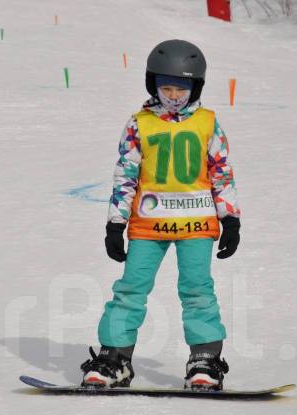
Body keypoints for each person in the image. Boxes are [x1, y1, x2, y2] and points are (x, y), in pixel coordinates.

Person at [80, 39, 241, 391]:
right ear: (152, 84)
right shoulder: (140, 124)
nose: (173, 96)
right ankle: (114, 358)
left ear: (195, 87)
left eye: (181, 89)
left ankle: (205, 360)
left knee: (197, 289)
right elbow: (126, 175)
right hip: (148, 225)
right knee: (130, 289)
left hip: (196, 222)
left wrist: (230, 219)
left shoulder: (207, 123)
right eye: (166, 88)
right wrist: (115, 223)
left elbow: (220, 172)